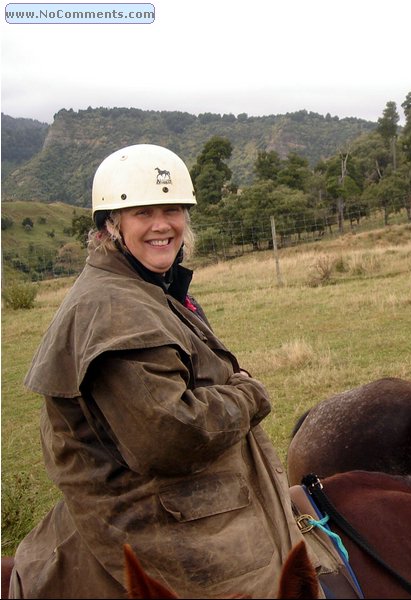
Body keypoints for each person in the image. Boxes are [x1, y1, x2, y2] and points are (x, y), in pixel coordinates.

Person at [8, 144, 323, 598]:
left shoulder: (144, 288)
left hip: (187, 502)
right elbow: (171, 435)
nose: (162, 225)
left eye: (172, 209)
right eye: (143, 213)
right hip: (157, 523)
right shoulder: (114, 308)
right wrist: (249, 394)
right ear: (111, 226)